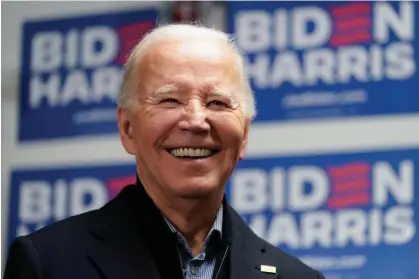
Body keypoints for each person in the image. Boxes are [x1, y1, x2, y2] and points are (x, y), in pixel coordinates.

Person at [3, 23, 325, 279]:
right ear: (127, 129)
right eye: (170, 100)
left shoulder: (297, 277)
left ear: (244, 137)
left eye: (218, 103)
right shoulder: (48, 263)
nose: (197, 121)